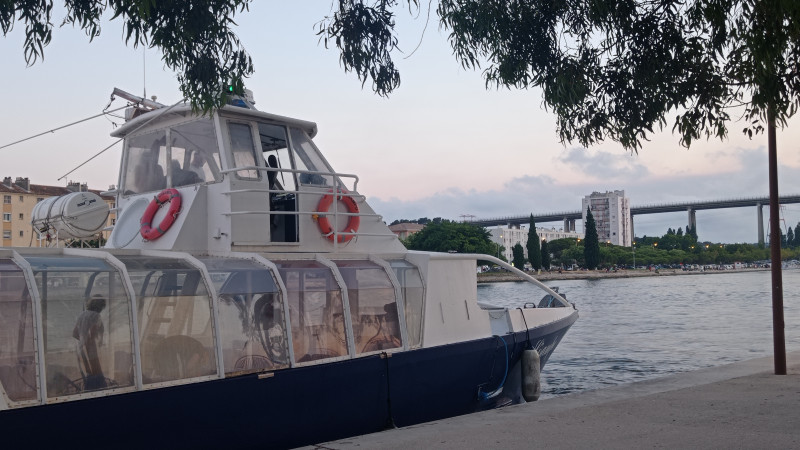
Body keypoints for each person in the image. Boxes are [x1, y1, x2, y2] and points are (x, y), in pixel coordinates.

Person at [73, 295, 107, 390]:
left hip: (81, 349)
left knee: (89, 374)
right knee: (97, 373)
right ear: (101, 306)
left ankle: (89, 390)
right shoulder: (96, 316)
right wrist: (92, 343)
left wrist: (83, 341)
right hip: (91, 349)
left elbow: (75, 333)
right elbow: (93, 333)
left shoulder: (82, 314)